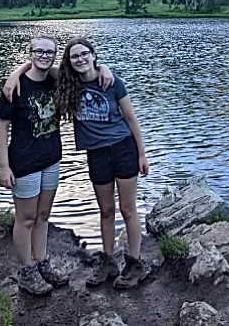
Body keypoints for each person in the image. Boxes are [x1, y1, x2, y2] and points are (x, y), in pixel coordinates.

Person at [10, 37, 150, 290]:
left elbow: (131, 118)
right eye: (74, 56)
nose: (80, 59)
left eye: (85, 54)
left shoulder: (112, 81)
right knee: (106, 210)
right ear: (69, 62)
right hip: (96, 153)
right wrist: (14, 75)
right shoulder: (68, 82)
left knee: (128, 209)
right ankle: (108, 261)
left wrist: (142, 154)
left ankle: (135, 263)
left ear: (93, 55)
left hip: (123, 148)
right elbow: (35, 66)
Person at [0, 34, 113, 295]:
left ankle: (41, 262)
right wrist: (4, 167)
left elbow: (86, 74)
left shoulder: (56, 80)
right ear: (30, 53)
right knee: (25, 219)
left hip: (51, 159)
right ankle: (26, 271)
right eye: (39, 51)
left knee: (43, 216)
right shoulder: (14, 87)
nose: (44, 56)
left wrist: (103, 67)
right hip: (23, 162)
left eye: (50, 52)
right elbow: (2, 129)